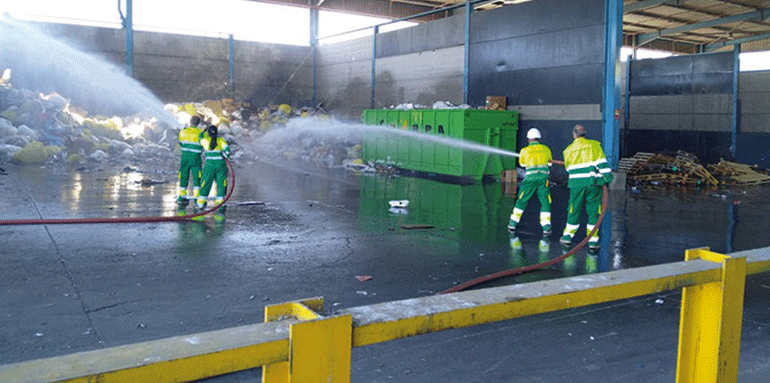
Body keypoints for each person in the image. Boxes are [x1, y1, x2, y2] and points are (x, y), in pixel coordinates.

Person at [560, 124, 613, 250]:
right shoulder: (594, 146)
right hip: (592, 184)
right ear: (585, 134)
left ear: (574, 134)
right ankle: (593, 241)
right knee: (594, 212)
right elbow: (602, 165)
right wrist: (606, 179)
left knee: (574, 210)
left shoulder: (567, 151)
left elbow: (568, 169)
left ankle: (567, 237)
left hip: (576, 185)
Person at [508, 128, 553, 236]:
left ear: (529, 139)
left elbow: (523, 164)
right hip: (543, 179)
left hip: (530, 179)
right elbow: (550, 164)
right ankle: (546, 227)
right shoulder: (546, 149)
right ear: (539, 138)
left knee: (522, 200)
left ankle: (512, 224)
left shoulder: (524, 151)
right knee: (545, 202)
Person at [196, 125, 230, 210]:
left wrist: (202, 132)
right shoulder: (221, 140)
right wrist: (225, 156)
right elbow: (227, 151)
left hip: (209, 165)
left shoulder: (205, 141)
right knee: (221, 183)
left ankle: (200, 202)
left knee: (206, 182)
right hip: (220, 165)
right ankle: (220, 202)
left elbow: (199, 140)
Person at [177, 116, 203, 205]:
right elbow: (204, 144)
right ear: (198, 123)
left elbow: (180, 142)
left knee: (183, 175)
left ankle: (182, 196)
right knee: (197, 176)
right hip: (195, 157)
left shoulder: (183, 131)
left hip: (184, 157)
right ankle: (197, 197)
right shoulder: (201, 133)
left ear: (190, 121)